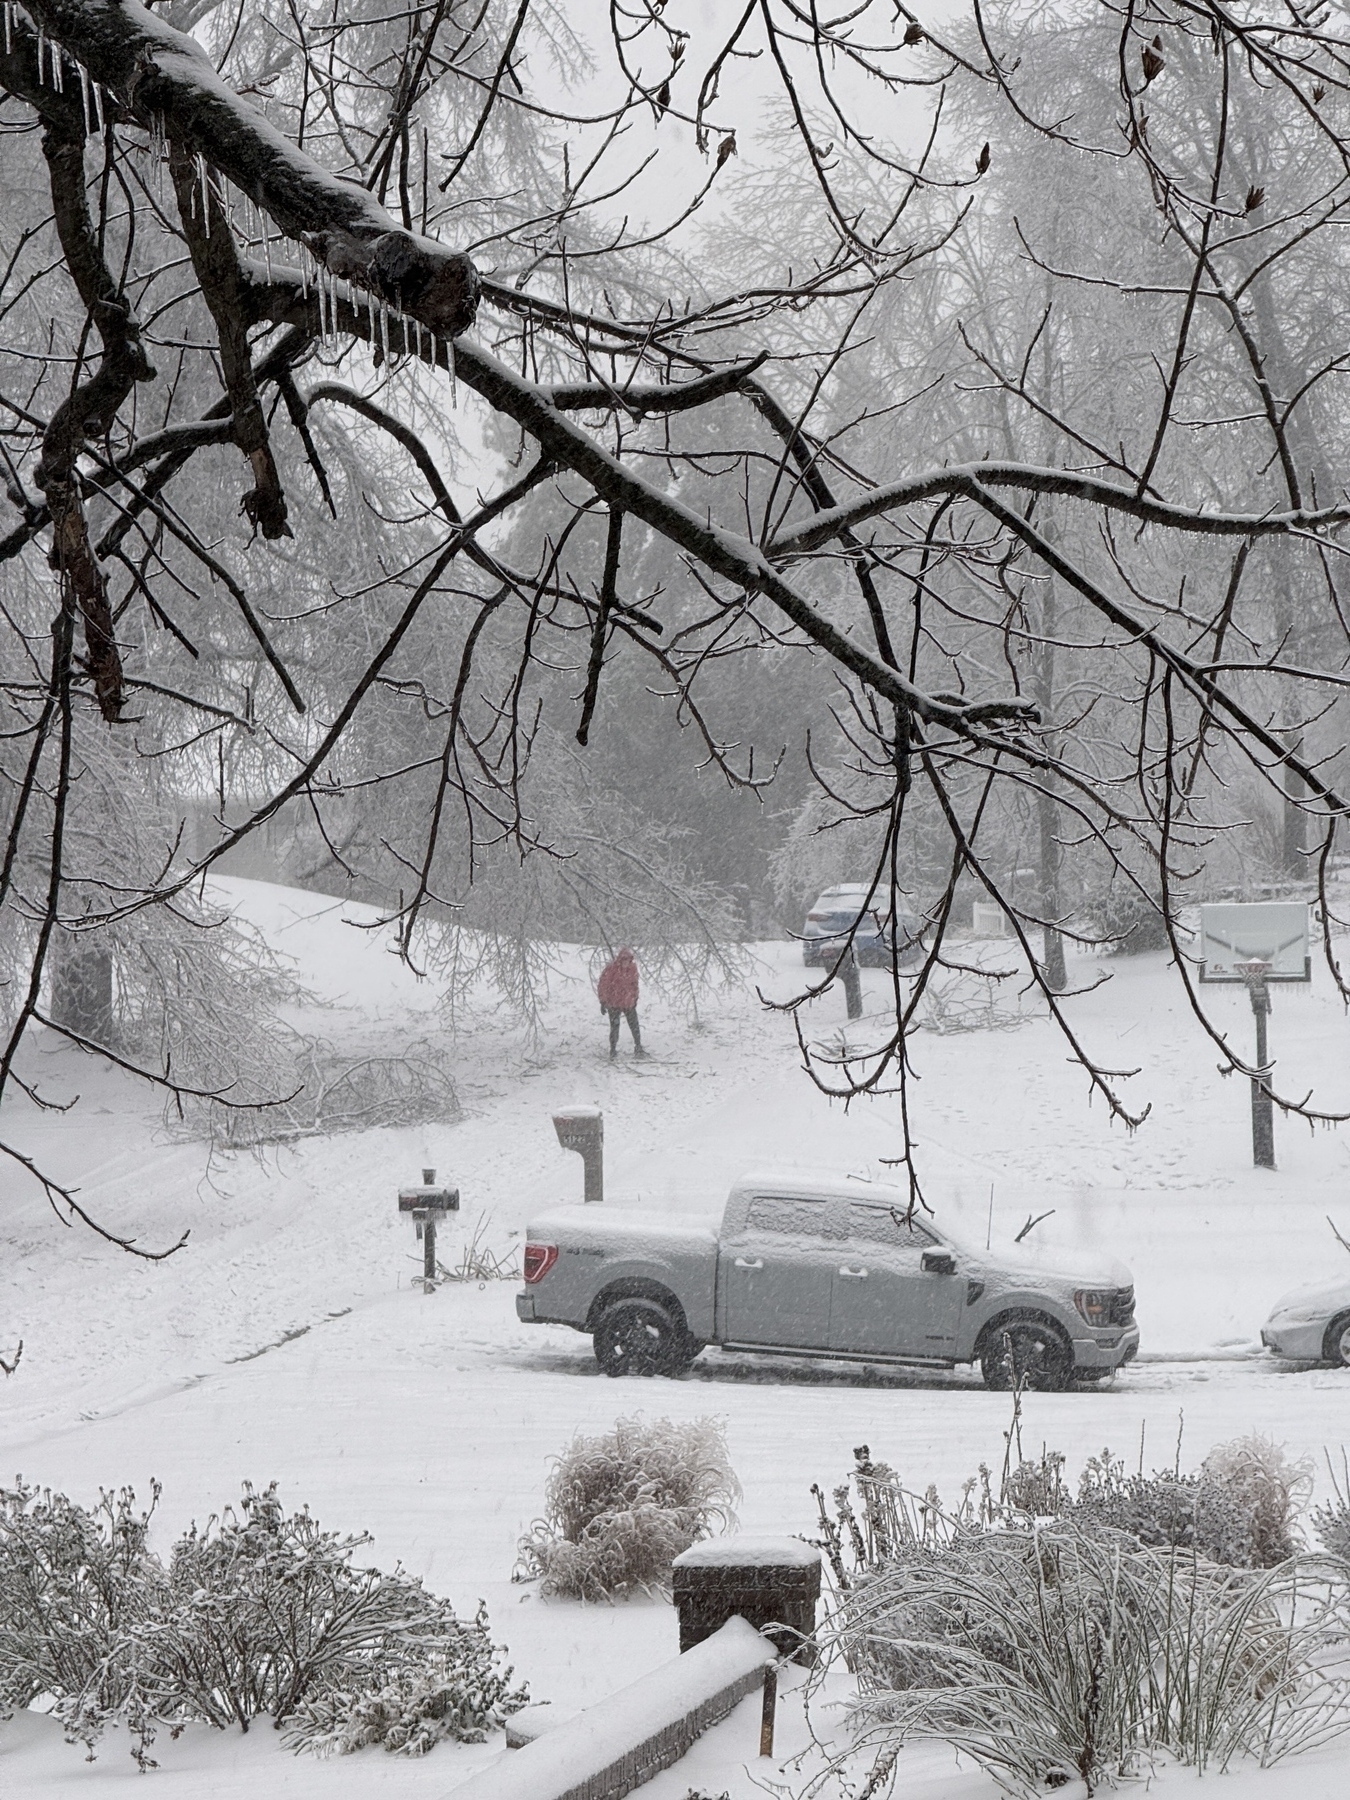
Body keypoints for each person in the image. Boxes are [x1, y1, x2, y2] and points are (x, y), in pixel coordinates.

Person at [597, 947, 645, 1059]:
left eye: (627, 961)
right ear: (620, 960)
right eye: (623, 960)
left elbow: (635, 985)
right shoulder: (611, 969)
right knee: (614, 1027)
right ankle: (613, 1049)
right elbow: (603, 985)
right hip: (614, 1003)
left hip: (628, 1002)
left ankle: (638, 1046)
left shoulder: (633, 969)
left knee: (634, 1025)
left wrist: (635, 998)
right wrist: (603, 1001)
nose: (625, 963)